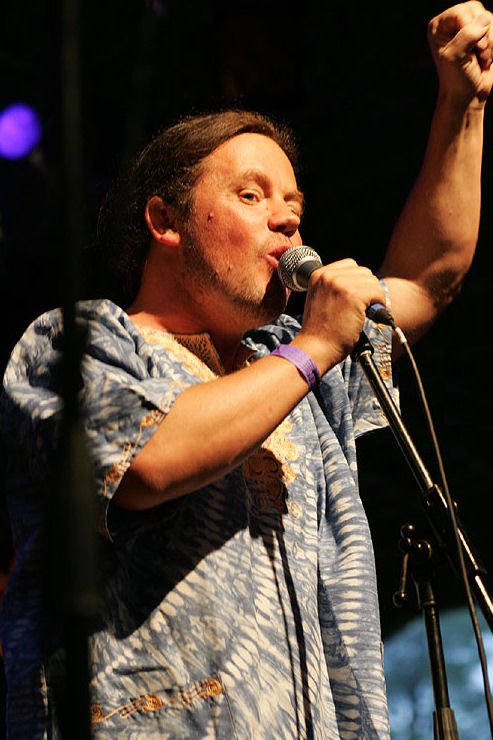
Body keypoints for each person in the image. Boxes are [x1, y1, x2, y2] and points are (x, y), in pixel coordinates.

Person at [1, 2, 492, 737]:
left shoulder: (289, 365)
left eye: (294, 203)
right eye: (252, 195)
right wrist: (314, 347)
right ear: (165, 222)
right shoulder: (78, 341)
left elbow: (430, 277)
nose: (287, 219)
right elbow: (147, 462)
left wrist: (462, 104)